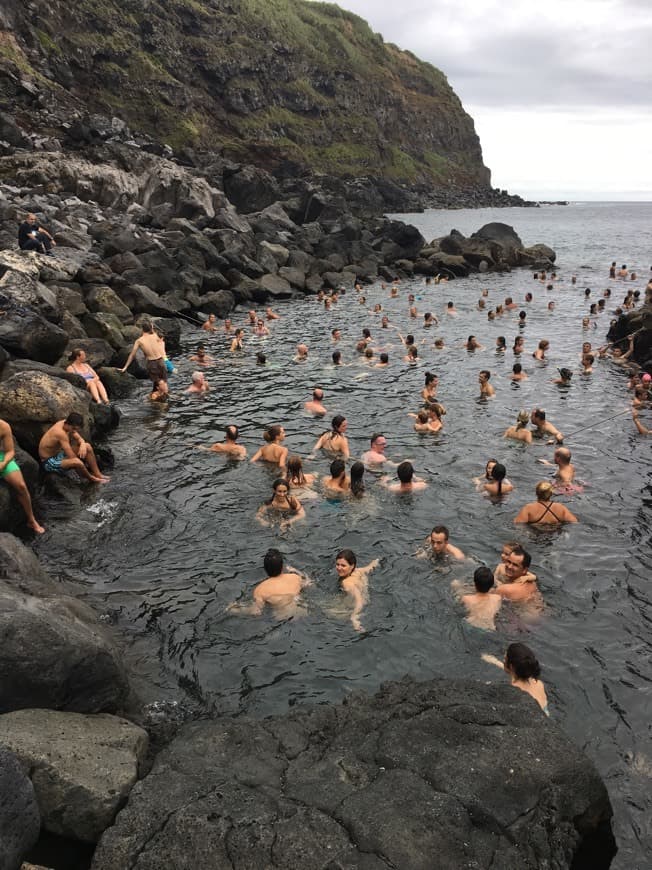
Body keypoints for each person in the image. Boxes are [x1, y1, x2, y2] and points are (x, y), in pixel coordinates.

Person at [0, 418, 44, 533]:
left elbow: (10, 452)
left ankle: (31, 520)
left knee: (21, 486)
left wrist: (3, 464)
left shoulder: (3, 426)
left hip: (1, 458)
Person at [38, 413, 109, 483]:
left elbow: (80, 439)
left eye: (76, 429)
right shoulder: (60, 433)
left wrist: (83, 445)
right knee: (77, 462)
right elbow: (72, 457)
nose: (74, 431)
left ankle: (98, 474)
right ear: (68, 424)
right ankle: (91, 478)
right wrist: (82, 466)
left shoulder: (66, 425)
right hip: (48, 462)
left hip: (58, 454)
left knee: (87, 446)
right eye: (74, 428)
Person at [482, 643, 549, 714]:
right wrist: (495, 662)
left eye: (505, 658)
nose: (503, 660)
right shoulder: (539, 683)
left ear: (511, 666)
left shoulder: (511, 690)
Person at [335, 549, 379, 632]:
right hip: (367, 600)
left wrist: (354, 617)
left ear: (352, 566)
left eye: (343, 565)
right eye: (337, 564)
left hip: (352, 607)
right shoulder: (359, 571)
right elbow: (370, 567)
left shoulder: (347, 583)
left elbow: (359, 600)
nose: (339, 568)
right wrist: (376, 561)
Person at [121, 322, 168, 394]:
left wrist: (125, 367)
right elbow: (161, 343)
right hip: (161, 361)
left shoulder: (139, 341)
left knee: (159, 382)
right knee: (163, 382)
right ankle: (163, 396)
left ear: (142, 329)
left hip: (152, 363)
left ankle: (164, 395)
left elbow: (132, 355)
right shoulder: (155, 336)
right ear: (151, 328)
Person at [513, 481, 578, 524]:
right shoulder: (561, 507)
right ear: (551, 493)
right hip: (554, 536)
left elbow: (518, 524)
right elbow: (574, 522)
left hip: (535, 536)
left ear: (536, 493)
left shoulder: (528, 508)